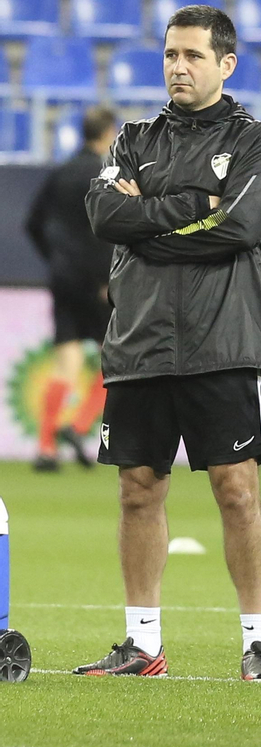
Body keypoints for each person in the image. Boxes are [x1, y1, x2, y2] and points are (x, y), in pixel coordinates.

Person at [77, 5, 261, 682]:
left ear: (226, 64)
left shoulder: (256, 140)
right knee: (138, 490)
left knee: (237, 491)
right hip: (139, 341)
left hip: (224, 341)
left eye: (193, 55)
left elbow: (241, 225)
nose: (177, 66)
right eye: (170, 54)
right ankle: (143, 645)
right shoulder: (134, 138)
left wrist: (148, 220)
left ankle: (257, 643)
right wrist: (197, 205)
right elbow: (104, 213)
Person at [25, 105, 117, 472]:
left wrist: (54, 259)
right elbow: (107, 229)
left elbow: (32, 223)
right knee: (117, 360)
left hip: (62, 279)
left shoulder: (60, 174)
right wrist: (107, 278)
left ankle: (46, 449)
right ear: (108, 133)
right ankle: (77, 426)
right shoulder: (103, 175)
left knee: (65, 363)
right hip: (96, 282)